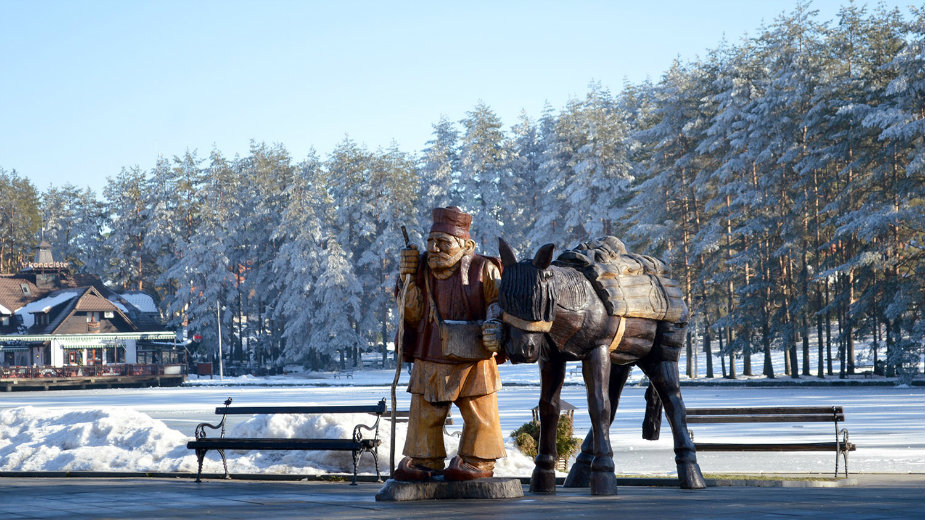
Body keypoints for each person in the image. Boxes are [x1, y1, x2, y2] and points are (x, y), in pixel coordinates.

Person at [394, 206, 505, 481]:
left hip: (475, 354)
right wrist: (407, 278)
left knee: (480, 411)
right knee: (425, 411)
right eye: (431, 242)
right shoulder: (421, 270)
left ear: (466, 245)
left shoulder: (483, 268)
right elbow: (412, 314)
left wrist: (495, 325)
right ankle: (424, 459)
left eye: (442, 243)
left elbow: (499, 304)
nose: (433, 248)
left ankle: (478, 460)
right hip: (431, 352)